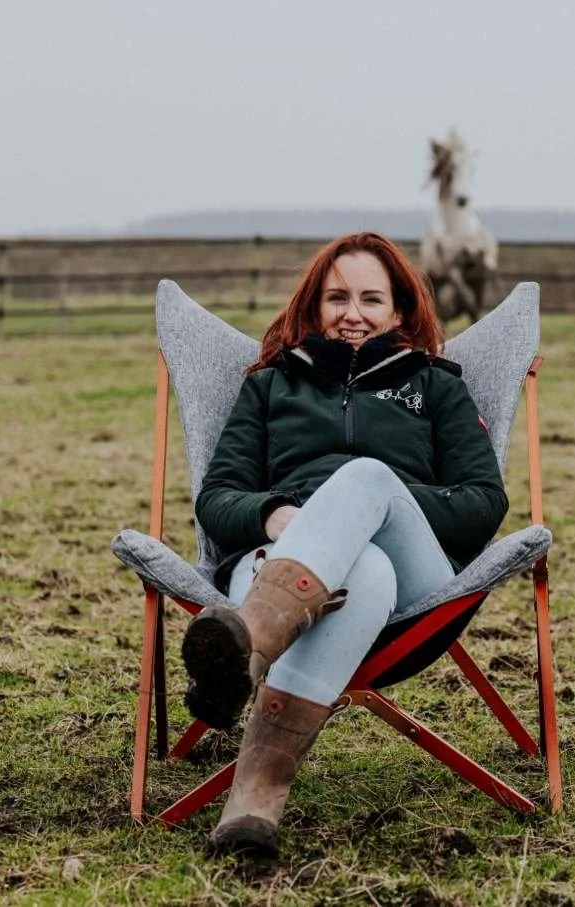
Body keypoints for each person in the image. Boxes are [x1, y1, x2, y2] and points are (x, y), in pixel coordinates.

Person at [183, 232, 507, 858]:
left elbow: (482, 503)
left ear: (400, 313)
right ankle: (255, 801)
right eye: (336, 297)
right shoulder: (271, 385)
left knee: (364, 481)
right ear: (313, 305)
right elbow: (218, 498)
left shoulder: (436, 385)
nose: (352, 313)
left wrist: (381, 506)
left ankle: (244, 651)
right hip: (281, 562)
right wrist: (275, 514)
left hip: (421, 590)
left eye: (370, 299)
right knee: (367, 570)